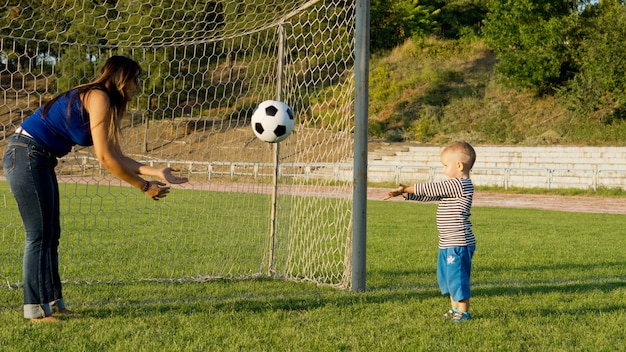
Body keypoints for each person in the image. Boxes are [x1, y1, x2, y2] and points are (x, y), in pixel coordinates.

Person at [3, 55, 189, 322]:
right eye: (136, 80)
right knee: (38, 235)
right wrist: (143, 186)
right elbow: (105, 158)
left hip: (39, 158)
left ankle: (55, 304)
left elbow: (118, 155)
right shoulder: (98, 96)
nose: (138, 86)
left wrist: (155, 172)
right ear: (122, 79)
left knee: (50, 235)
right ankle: (35, 310)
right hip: (26, 153)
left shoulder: (105, 103)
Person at [384, 141, 476, 323]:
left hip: (458, 243)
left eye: (445, 166)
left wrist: (407, 188)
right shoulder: (452, 186)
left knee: (458, 278)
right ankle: (455, 309)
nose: (443, 170)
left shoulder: (461, 184)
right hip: (447, 243)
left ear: (459, 165)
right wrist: (406, 194)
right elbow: (429, 195)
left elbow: (431, 188)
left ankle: (464, 313)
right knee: (449, 279)